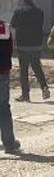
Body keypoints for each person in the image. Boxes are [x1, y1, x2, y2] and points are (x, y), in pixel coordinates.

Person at [10, 0, 50, 102]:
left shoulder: (19, 11)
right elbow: (40, 24)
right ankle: (44, 87)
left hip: (23, 44)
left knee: (23, 71)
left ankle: (25, 95)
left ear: (23, 0)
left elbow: (13, 24)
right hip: (36, 44)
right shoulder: (39, 12)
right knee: (37, 67)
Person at [1, 19, 21, 154]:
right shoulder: (4, 27)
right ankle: (9, 143)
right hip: (2, 73)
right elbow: (10, 50)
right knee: (3, 108)